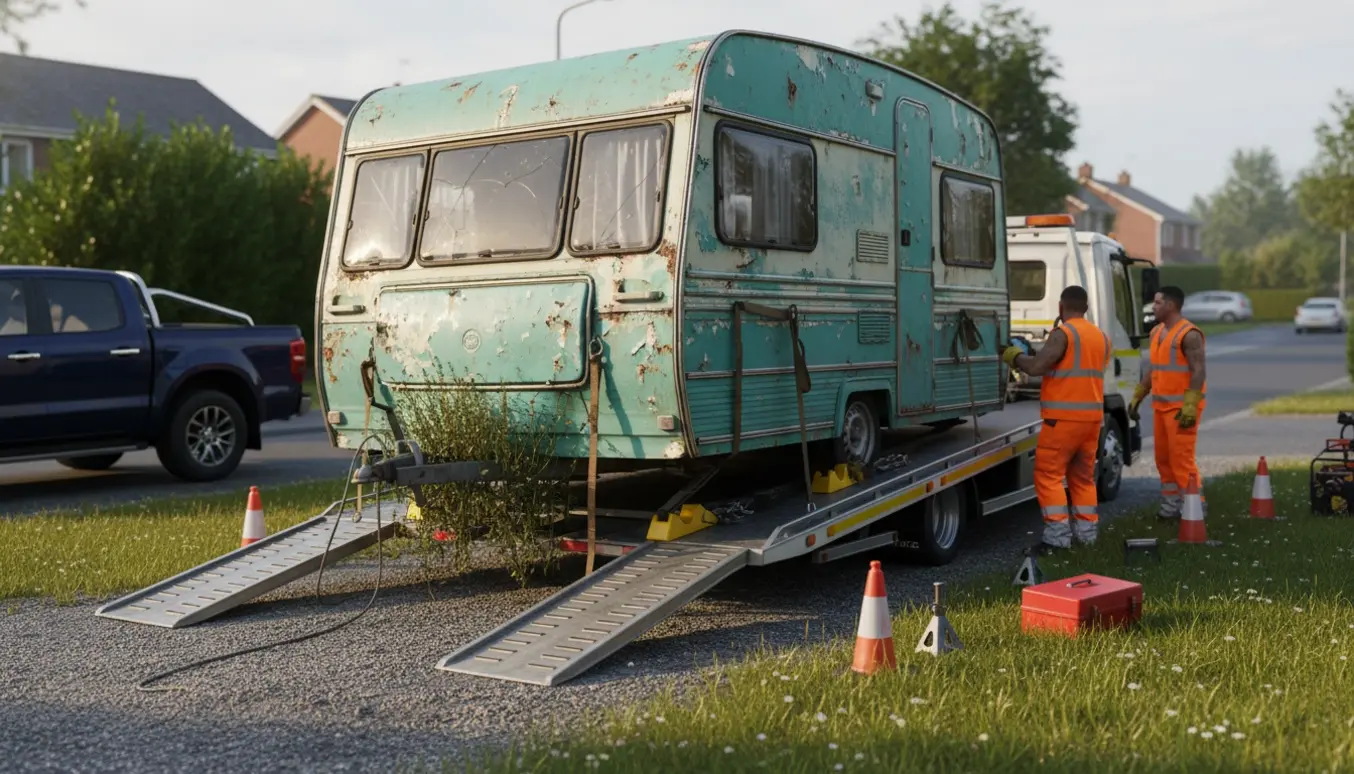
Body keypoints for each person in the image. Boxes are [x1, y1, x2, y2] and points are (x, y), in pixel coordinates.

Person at [1002, 285, 1111, 552]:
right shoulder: (1100, 337)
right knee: (1083, 478)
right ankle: (1087, 537)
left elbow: (1038, 367)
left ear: (1061, 307)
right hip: (1091, 420)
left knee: (1048, 475)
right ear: (1085, 307)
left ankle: (1058, 538)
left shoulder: (1063, 334)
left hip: (1062, 420)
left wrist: (1014, 356)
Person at [1129, 285, 1206, 521]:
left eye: (1158, 302)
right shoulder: (1156, 333)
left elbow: (1198, 371)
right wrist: (1137, 396)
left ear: (1171, 305)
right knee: (1164, 460)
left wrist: (1190, 406)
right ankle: (1171, 506)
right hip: (1161, 407)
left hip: (1182, 408)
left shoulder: (1189, 334)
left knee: (1181, 459)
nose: (1154, 307)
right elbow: (1154, 368)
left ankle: (1195, 508)